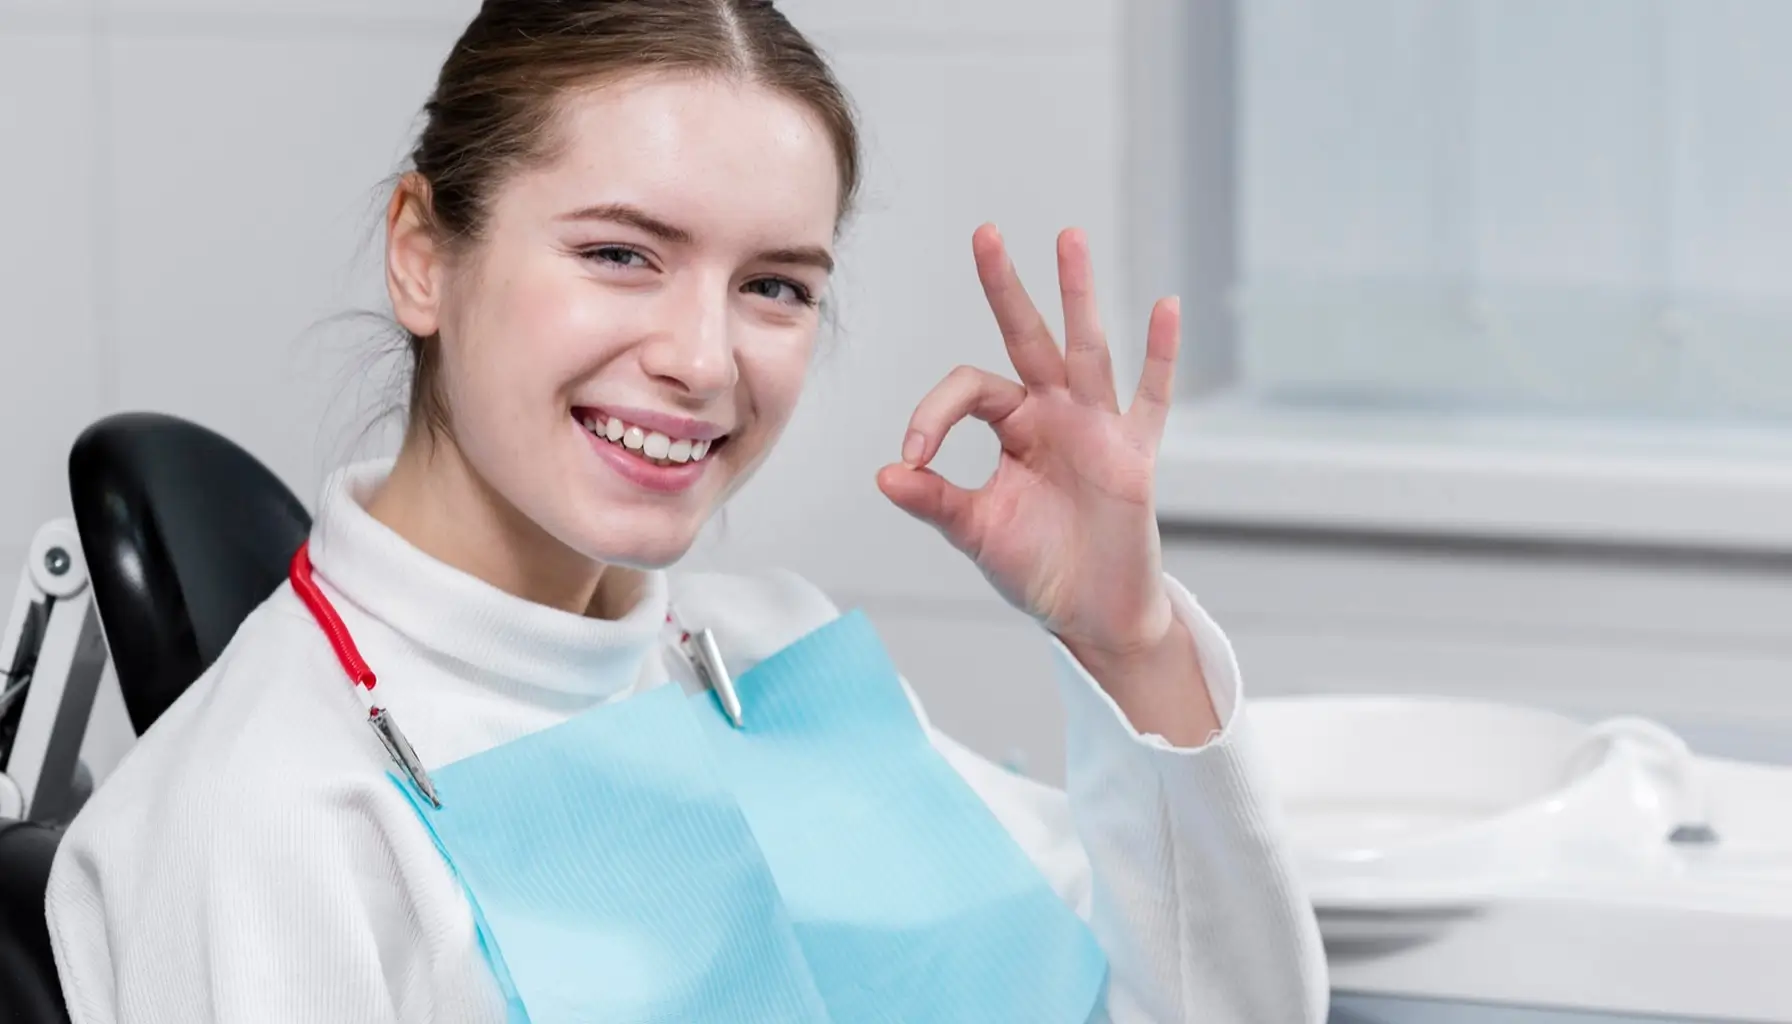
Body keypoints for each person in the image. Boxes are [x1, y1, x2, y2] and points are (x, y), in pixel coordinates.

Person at [45, 1, 1327, 1021]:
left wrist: (1127, 637)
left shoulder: (770, 653)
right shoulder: (272, 817)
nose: (705, 360)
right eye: (621, 254)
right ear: (423, 254)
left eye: (773, 285)